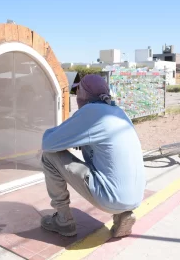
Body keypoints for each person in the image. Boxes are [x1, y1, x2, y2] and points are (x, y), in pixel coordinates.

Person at [40, 74, 146, 237]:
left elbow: (48, 143)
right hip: (136, 197)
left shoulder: (91, 111)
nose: (76, 96)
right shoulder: (116, 111)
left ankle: (63, 221)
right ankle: (122, 214)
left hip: (110, 197)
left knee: (49, 157)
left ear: (84, 94)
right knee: (111, 167)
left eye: (78, 91)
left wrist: (52, 134)